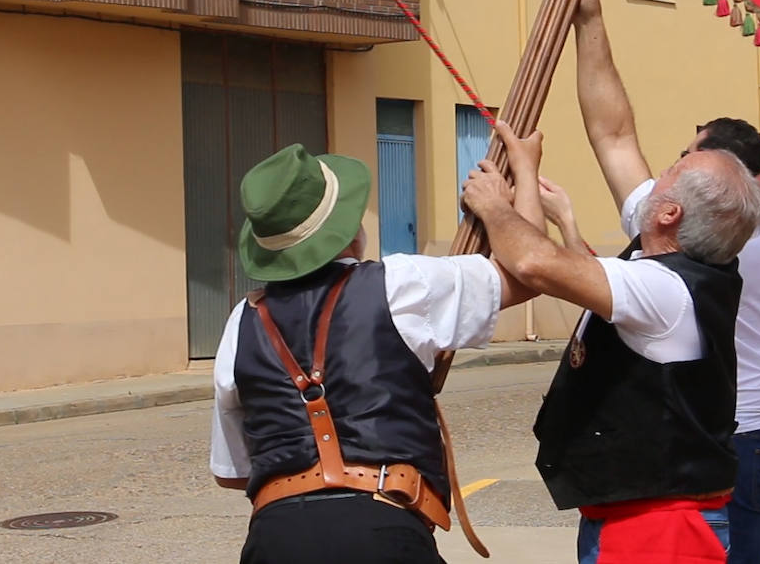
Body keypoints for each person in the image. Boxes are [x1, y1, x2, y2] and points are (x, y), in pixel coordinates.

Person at [462, 0, 760, 563]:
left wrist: (498, 203)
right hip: (635, 513)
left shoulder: (667, 291)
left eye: (675, 168)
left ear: (670, 212)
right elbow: (614, 133)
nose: (660, 169)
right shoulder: (664, 251)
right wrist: (590, 19)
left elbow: (533, 262)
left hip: (660, 528)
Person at [209, 137, 540, 564]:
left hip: (274, 538)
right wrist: (520, 178)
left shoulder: (242, 319)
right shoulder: (403, 283)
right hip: (381, 531)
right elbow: (532, 269)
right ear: (349, 228)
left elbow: (231, 473)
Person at [676, 119, 760, 564]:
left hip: (746, 429)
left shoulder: (723, 235)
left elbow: (615, 142)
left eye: (689, 155)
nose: (680, 164)